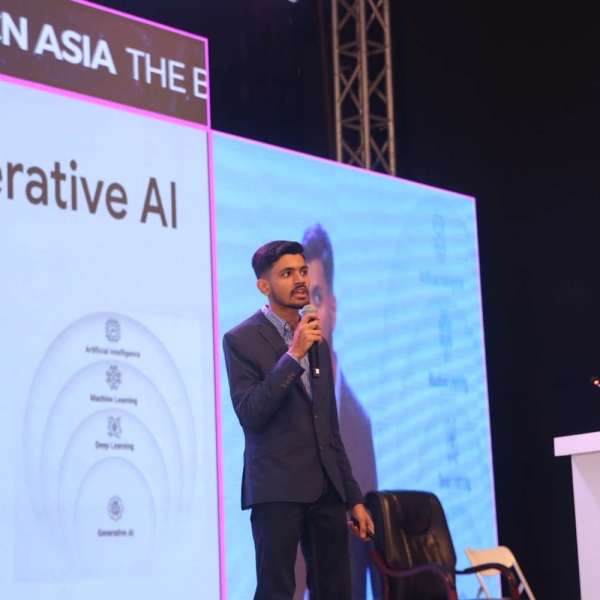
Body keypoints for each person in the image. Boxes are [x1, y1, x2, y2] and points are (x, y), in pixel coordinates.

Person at [222, 240, 375, 600]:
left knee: (335, 591)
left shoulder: (316, 337)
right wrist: (293, 355)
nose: (300, 280)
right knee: (276, 591)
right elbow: (251, 413)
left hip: (326, 491)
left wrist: (353, 498)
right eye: (287, 273)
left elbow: (330, 429)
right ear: (264, 285)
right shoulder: (240, 339)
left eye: (302, 271)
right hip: (277, 490)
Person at [297, 224, 379, 600]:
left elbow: (366, 553)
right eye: (303, 302)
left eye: (316, 297)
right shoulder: (285, 385)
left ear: (332, 308)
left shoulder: (360, 422)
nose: (309, 312)